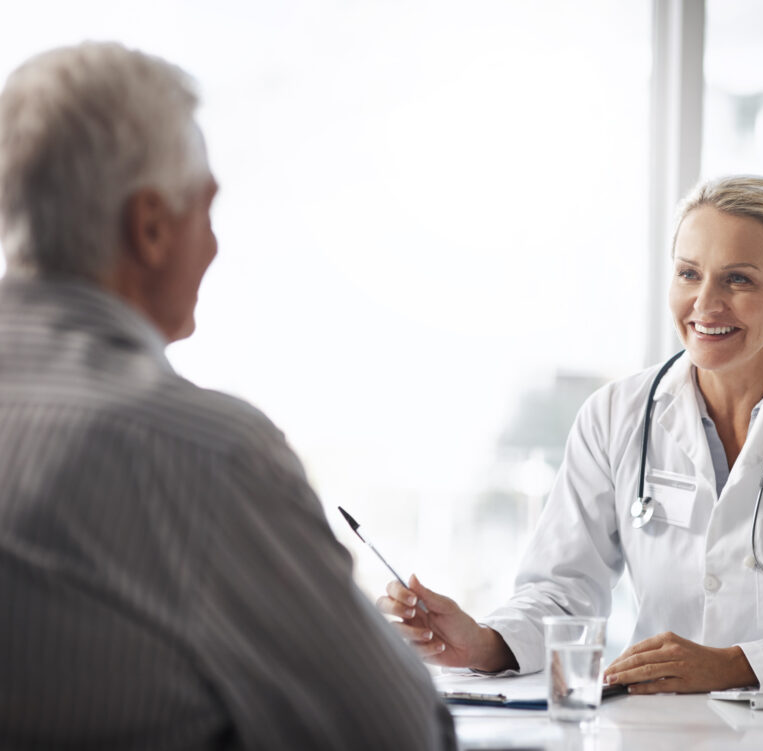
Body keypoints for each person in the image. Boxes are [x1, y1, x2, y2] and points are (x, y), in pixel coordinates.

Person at [0, 42, 454, 749]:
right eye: (204, 209)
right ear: (149, 227)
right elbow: (401, 732)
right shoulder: (202, 454)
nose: (213, 246)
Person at [378, 175, 763, 693]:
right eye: (689, 273)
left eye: (737, 279)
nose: (706, 303)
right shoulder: (615, 415)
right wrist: (486, 642)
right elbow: (564, 589)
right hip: (659, 729)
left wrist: (734, 665)